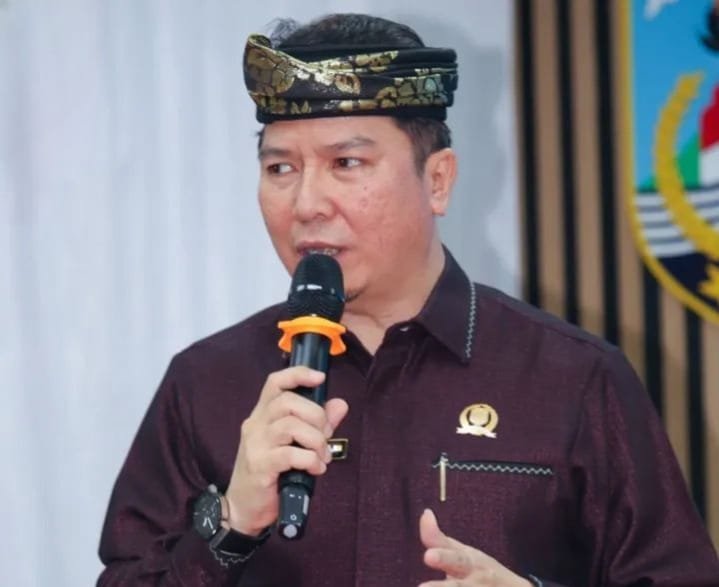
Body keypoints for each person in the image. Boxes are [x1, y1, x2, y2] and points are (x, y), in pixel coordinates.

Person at [97, 13, 719, 587]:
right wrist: (231, 523)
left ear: (437, 179)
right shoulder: (208, 384)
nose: (306, 204)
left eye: (346, 162)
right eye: (280, 168)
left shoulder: (572, 378)